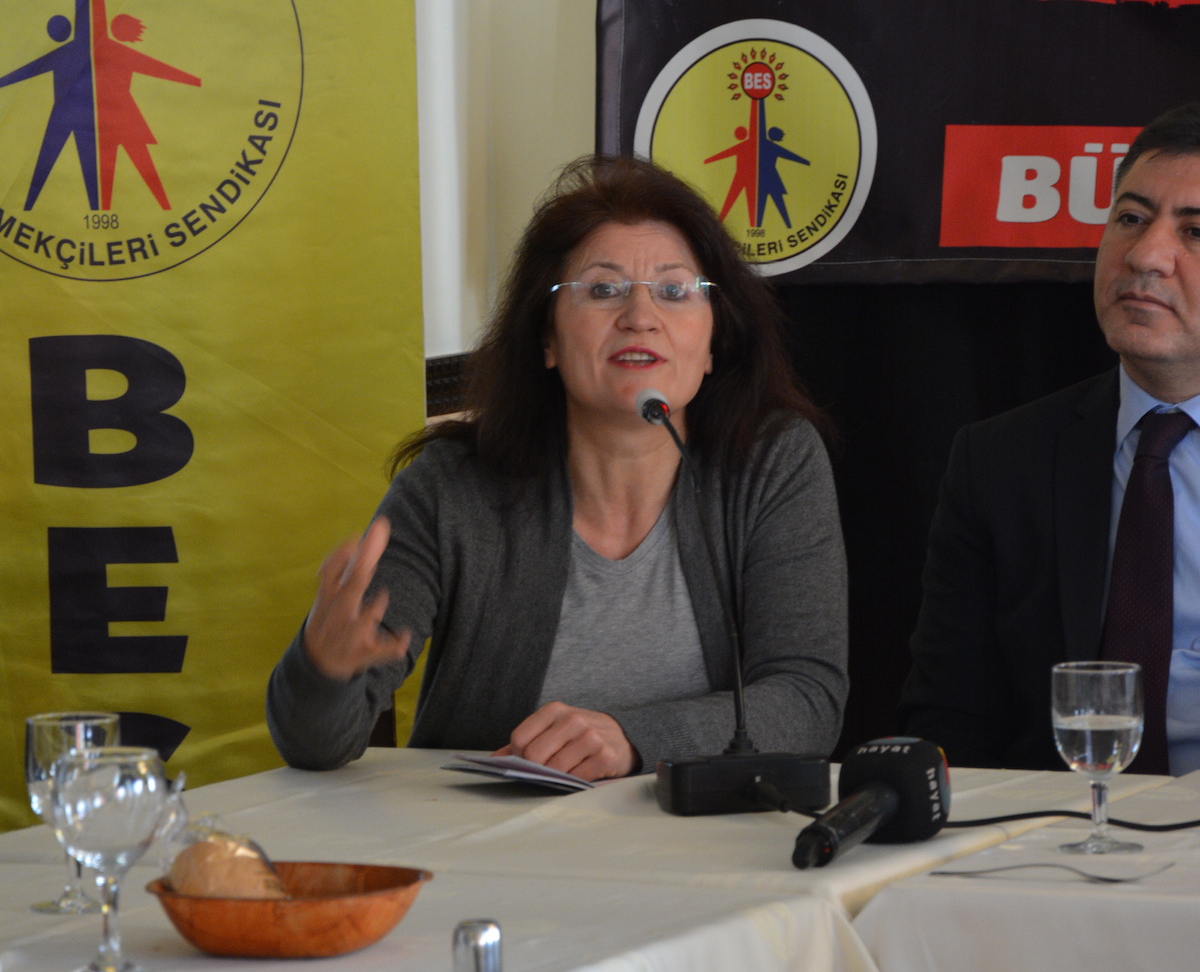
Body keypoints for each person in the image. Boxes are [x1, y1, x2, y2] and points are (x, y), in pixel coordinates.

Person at [267, 155, 848, 777]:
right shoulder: (452, 487)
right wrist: (322, 669)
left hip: (698, 832)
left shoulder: (770, 463)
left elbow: (806, 702)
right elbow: (312, 744)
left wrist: (633, 739)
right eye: (602, 289)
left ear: (712, 343)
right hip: (484, 833)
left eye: (674, 291)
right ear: (547, 338)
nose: (640, 316)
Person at [900, 102, 1200, 775]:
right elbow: (950, 717)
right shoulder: (999, 462)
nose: (1145, 255)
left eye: (1196, 231)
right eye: (1131, 218)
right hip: (1056, 822)